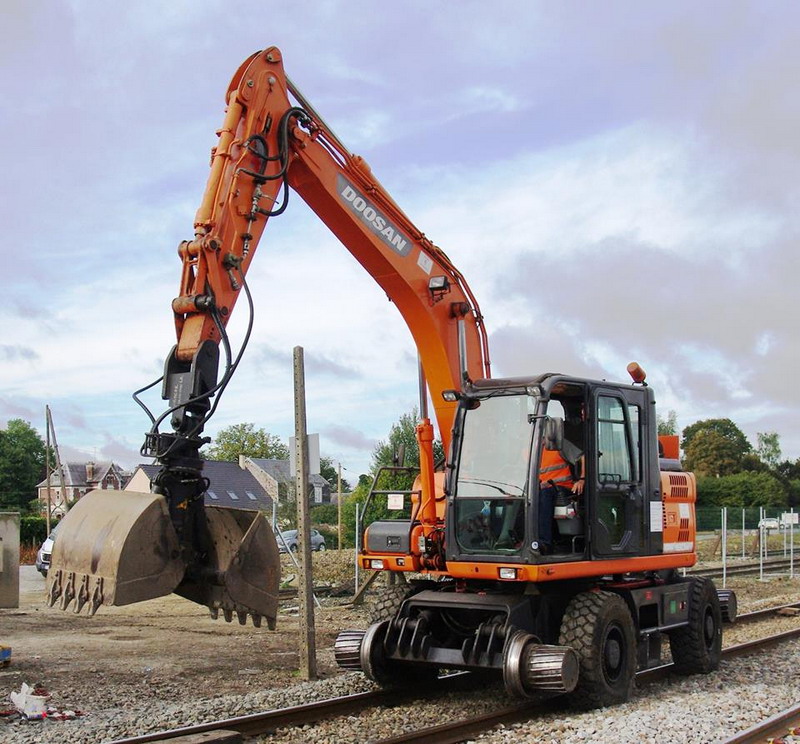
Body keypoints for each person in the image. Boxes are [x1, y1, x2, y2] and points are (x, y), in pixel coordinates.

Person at [537, 417, 584, 554]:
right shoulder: (530, 451)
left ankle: (544, 542)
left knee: (544, 495)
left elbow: (582, 457)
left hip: (562, 487)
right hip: (541, 488)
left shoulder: (558, 445)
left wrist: (582, 479)